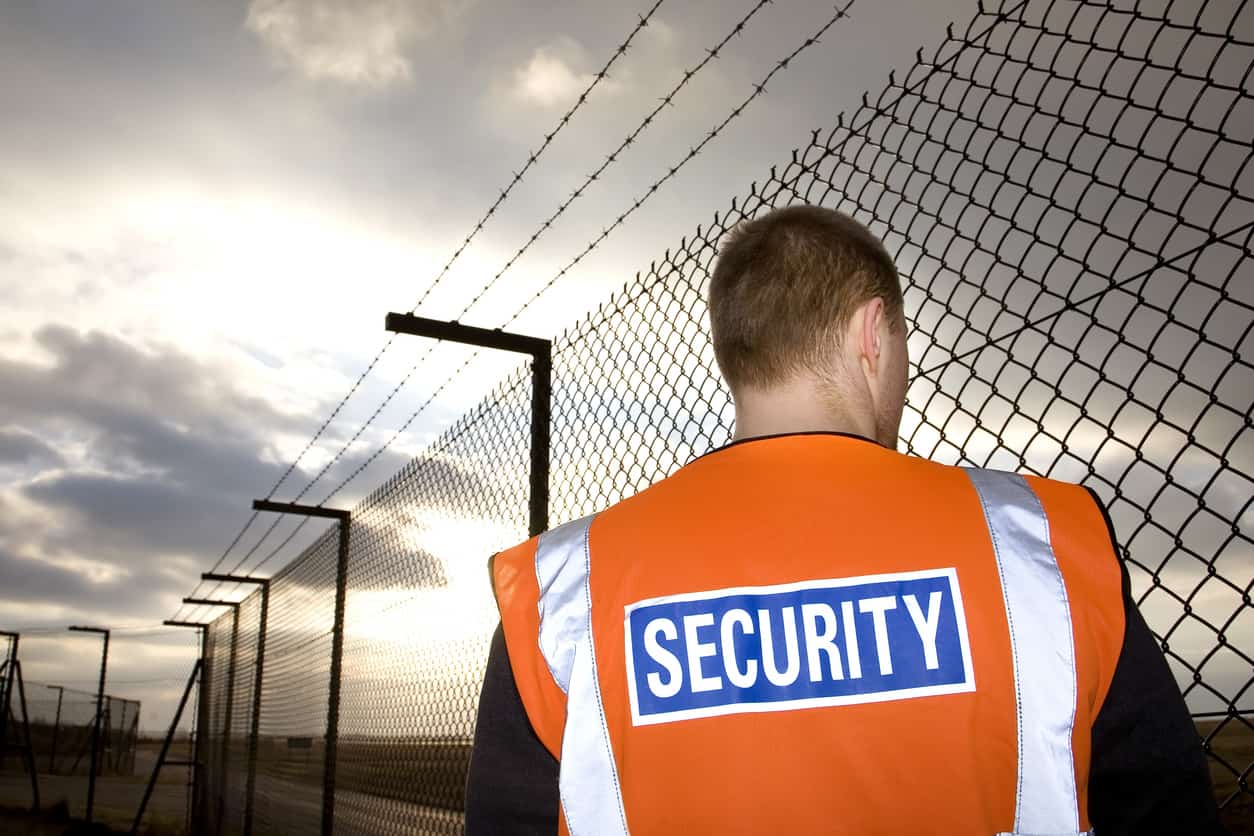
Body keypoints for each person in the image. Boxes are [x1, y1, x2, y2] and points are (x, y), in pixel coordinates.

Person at [464, 205, 1223, 834]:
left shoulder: (557, 588)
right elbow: (1163, 807)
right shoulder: (1046, 540)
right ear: (872, 333)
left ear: (738, 355)